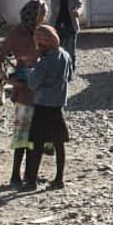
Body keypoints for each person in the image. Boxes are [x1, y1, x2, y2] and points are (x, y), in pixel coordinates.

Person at [0, 0, 47, 189]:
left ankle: (29, 174)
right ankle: (16, 175)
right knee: (23, 134)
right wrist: (7, 80)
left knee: (35, 135)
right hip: (26, 91)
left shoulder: (40, 32)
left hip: (40, 91)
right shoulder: (18, 34)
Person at [23, 25, 74, 190]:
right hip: (58, 106)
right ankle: (59, 179)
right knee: (59, 144)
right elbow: (70, 76)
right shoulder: (65, 55)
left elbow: (32, 83)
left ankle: (31, 181)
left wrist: (31, 66)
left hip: (43, 106)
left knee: (36, 144)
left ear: (44, 43)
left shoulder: (45, 62)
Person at [41, 0, 83, 73]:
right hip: (56, 26)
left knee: (71, 51)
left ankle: (70, 71)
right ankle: (57, 70)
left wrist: (78, 12)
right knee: (55, 49)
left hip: (70, 25)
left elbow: (80, 4)